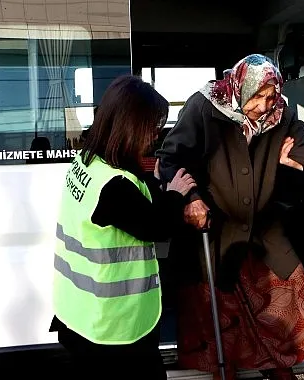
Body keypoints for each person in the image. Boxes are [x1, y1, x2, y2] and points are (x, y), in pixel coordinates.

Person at [155, 54, 304, 380]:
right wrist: (191, 199)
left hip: (262, 234)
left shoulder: (282, 113)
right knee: (224, 338)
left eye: (271, 96)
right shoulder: (204, 108)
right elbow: (170, 159)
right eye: (258, 97)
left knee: (280, 327)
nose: (266, 105)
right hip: (216, 236)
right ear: (240, 88)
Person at [49, 75, 196, 378]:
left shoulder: (88, 162)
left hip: (79, 315)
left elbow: (132, 208)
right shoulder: (113, 186)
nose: (155, 136)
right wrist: (175, 194)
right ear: (130, 125)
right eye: (152, 127)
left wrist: (153, 183)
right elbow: (153, 226)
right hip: (114, 329)